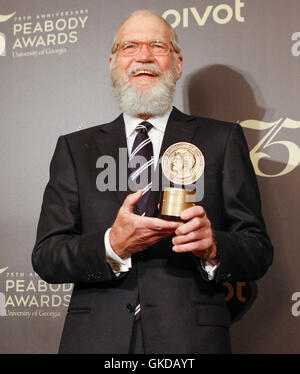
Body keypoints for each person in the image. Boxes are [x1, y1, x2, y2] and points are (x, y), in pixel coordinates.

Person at [32, 10, 273, 354]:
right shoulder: (75, 148)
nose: (144, 56)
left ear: (177, 63)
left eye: (158, 45)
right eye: (129, 46)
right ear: (113, 62)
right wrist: (112, 244)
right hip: (96, 340)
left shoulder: (222, 140)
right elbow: (46, 257)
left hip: (192, 341)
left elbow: (258, 250)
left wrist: (213, 246)